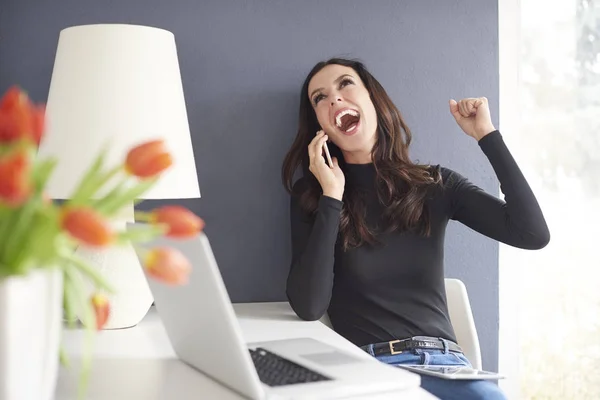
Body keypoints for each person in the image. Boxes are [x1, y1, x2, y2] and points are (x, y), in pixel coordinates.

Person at [281, 58, 549, 400]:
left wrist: (487, 135)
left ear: (373, 100)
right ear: (320, 125)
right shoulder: (314, 196)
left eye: (345, 84)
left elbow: (532, 234)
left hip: (448, 367)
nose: (333, 99)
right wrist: (332, 195)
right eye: (319, 98)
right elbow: (309, 305)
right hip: (374, 373)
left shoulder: (436, 185)